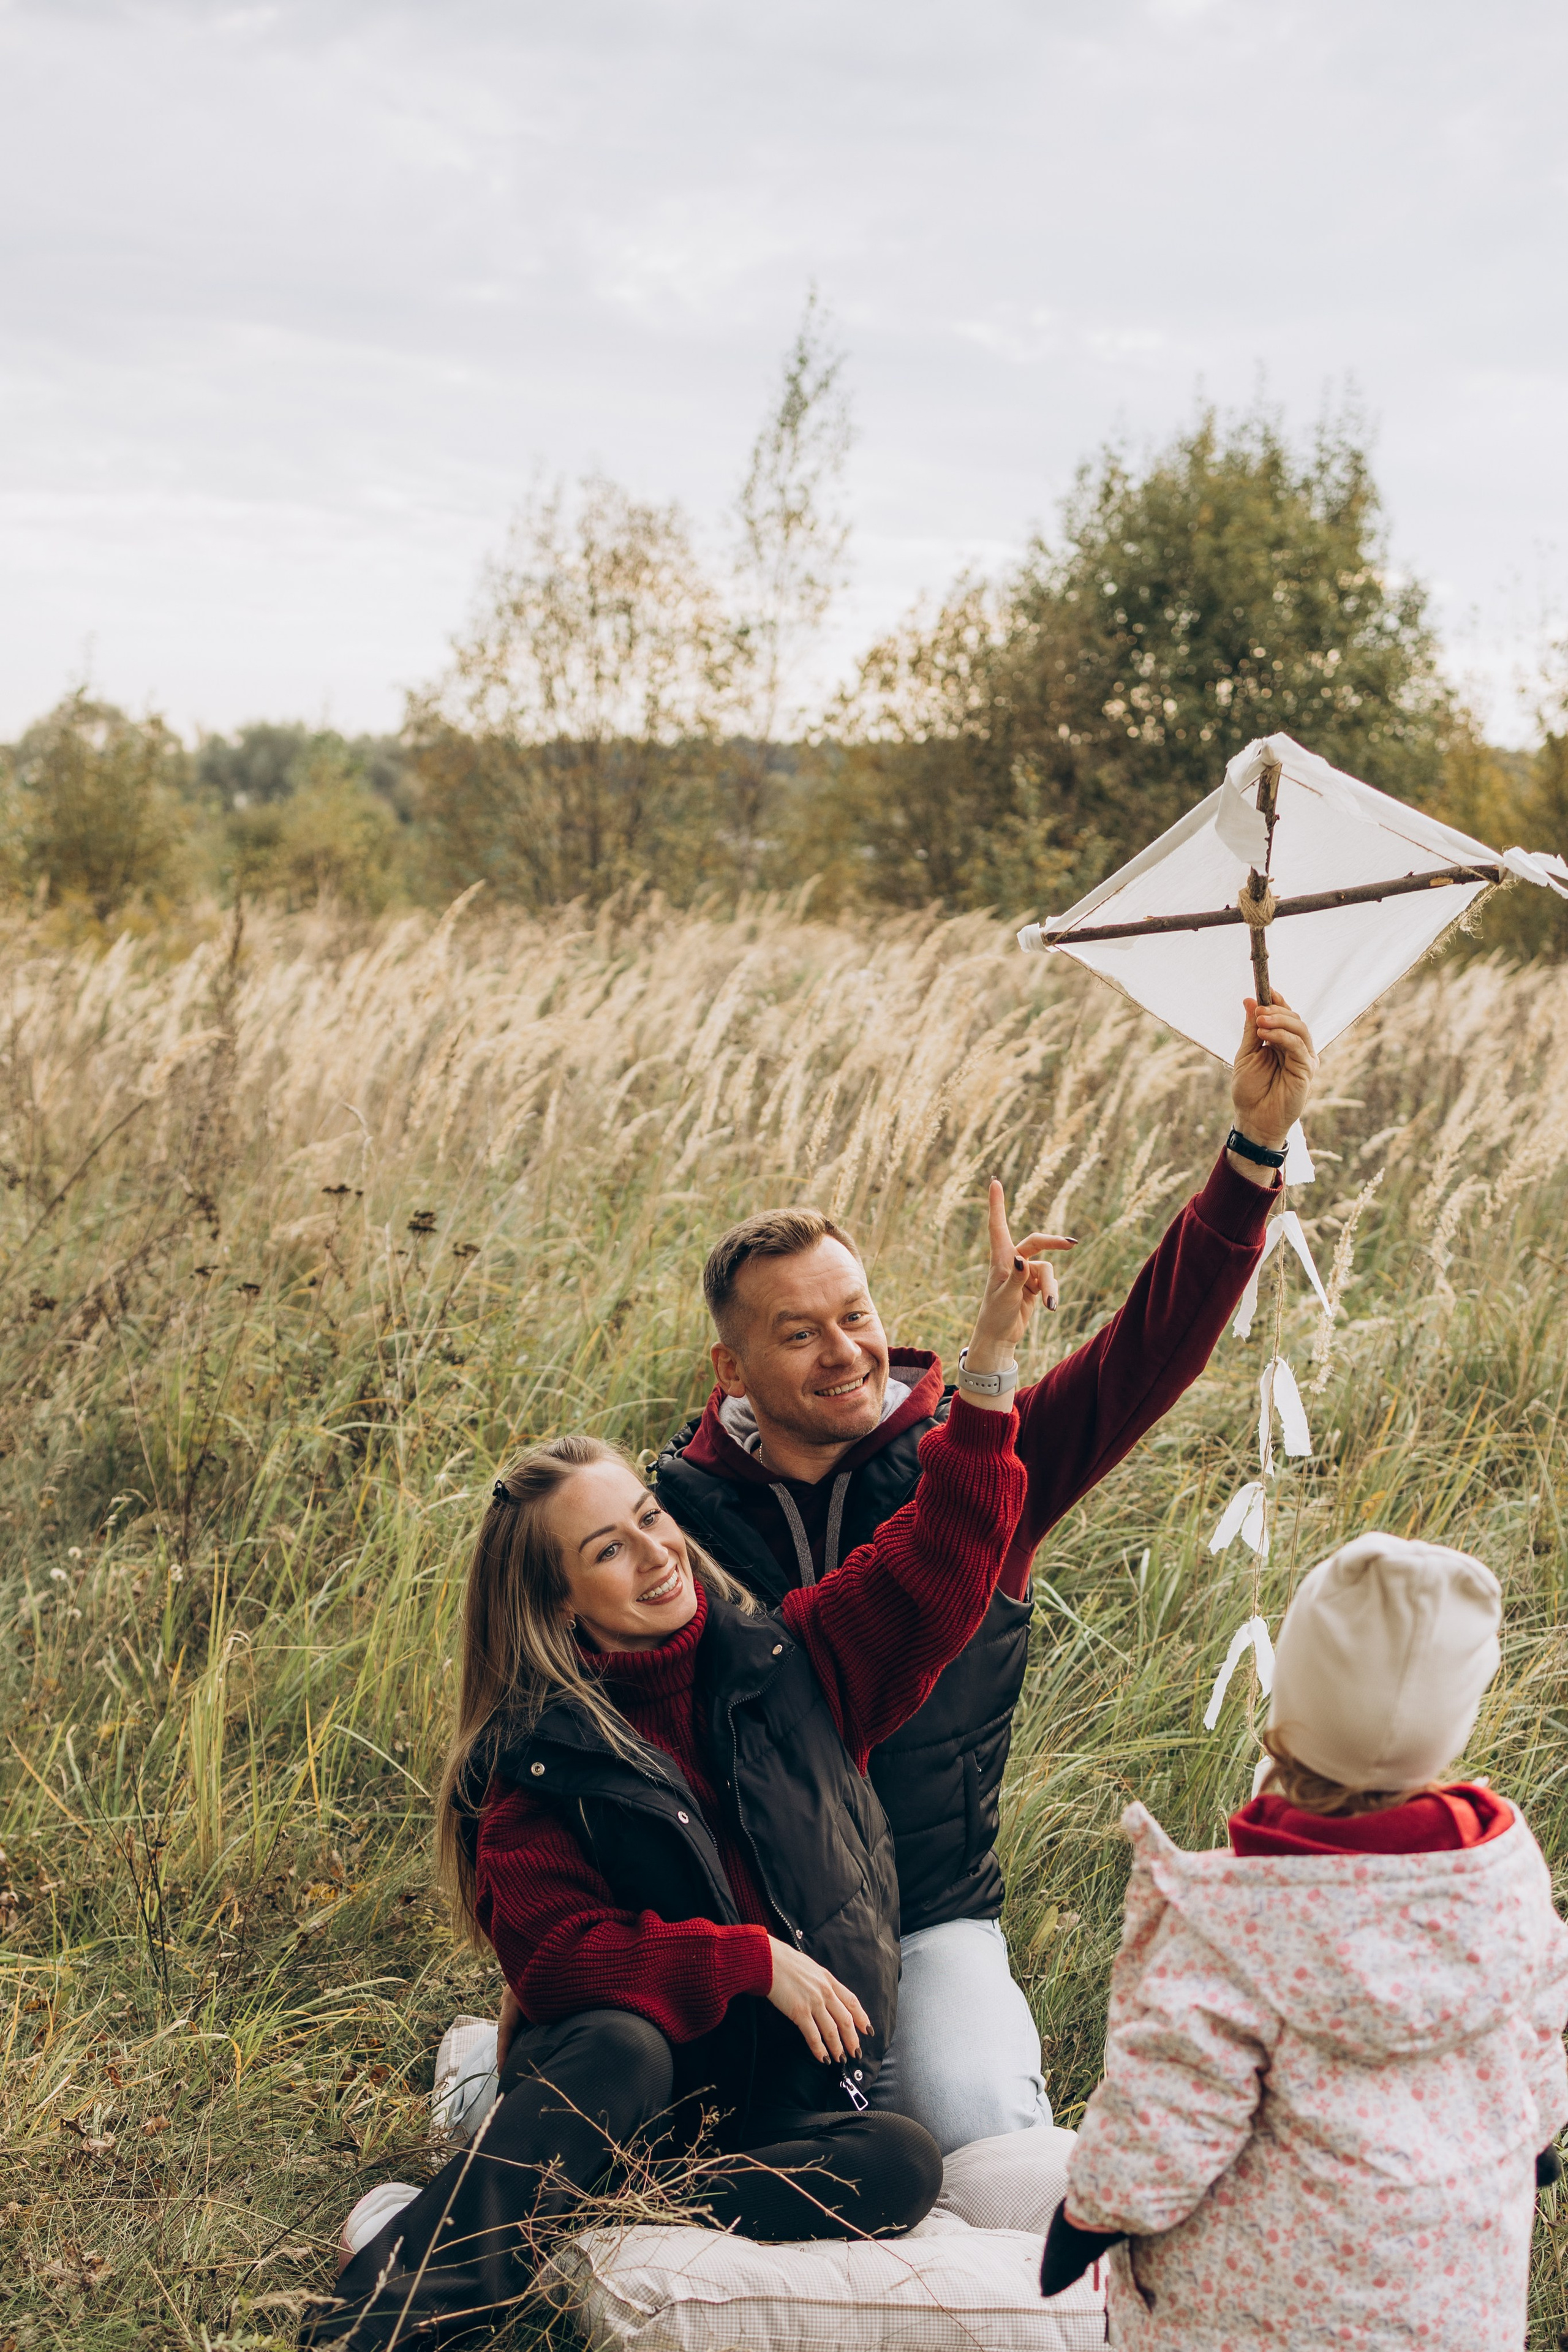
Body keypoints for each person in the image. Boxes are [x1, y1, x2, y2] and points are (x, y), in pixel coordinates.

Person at [308, 1188, 1047, 2349]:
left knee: (896, 2162)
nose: (657, 1552)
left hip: (762, 2114)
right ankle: (396, 2318)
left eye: (652, 1519)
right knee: (615, 2037)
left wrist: (993, 1363)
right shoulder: (537, 1757)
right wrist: (744, 1961)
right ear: (560, 1599)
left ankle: (545, 2231)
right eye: (610, 1548)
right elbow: (559, 1959)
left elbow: (942, 1559)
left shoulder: (789, 1661)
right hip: (624, 2093)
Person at [635, 991, 1319, 2155]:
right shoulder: (672, 1519)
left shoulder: (978, 1463)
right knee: (670, 2138)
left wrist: (1253, 1154)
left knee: (980, 2136)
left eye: (854, 1315)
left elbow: (1144, 1354)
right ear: (732, 1366)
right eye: (797, 1333)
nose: (845, 1350)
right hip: (754, 1935)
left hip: (932, 1918)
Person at [1039, 1534, 1568, 2350]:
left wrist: (1093, 2212)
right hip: (1450, 2304)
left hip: (1256, 2315)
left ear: (1293, 1697)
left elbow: (1172, 2110)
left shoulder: (1240, 1918)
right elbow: (1538, 2032)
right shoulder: (1502, 1881)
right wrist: (1534, 2139)